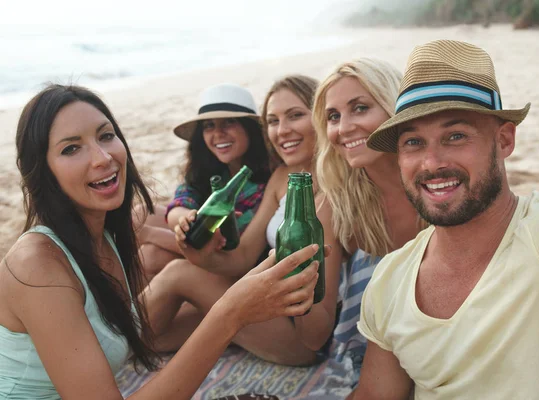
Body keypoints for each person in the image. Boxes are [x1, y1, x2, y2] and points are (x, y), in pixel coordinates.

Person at [0, 84, 321, 400]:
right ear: (42, 170)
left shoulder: (104, 238)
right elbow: (181, 209)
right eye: (71, 148)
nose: (102, 158)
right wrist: (229, 313)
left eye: (106, 136)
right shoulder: (36, 266)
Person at [353, 39, 539, 399]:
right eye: (413, 143)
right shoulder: (390, 279)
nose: (432, 163)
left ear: (503, 140)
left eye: (455, 136)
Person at [145, 75, 332, 366]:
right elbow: (242, 256)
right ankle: (102, 341)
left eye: (295, 116)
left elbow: (316, 326)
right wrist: (201, 254)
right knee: (155, 337)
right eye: (273, 121)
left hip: (302, 336)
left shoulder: (332, 192)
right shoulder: (283, 176)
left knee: (176, 272)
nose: (282, 131)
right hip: (267, 306)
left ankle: (100, 342)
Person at [310, 57, 423, 387]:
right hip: (363, 365)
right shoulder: (336, 208)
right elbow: (314, 335)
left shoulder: (440, 187)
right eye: (333, 116)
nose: (343, 128)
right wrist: (299, 284)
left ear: (394, 106)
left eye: (360, 108)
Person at [137, 83, 272, 280]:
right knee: (141, 214)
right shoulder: (207, 169)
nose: (218, 133)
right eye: (209, 125)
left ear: (250, 129)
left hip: (241, 268)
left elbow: (224, 246)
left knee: (152, 255)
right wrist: (188, 218)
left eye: (229, 122)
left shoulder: (266, 180)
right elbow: (180, 203)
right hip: (204, 248)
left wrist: (150, 234)